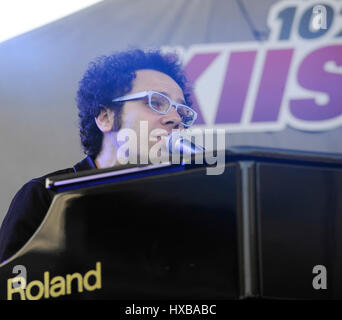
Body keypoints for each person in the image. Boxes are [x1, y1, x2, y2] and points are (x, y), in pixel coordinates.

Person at [0, 48, 197, 262]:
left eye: (182, 112)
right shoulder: (44, 198)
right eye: (156, 103)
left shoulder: (186, 207)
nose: (175, 118)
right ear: (105, 117)